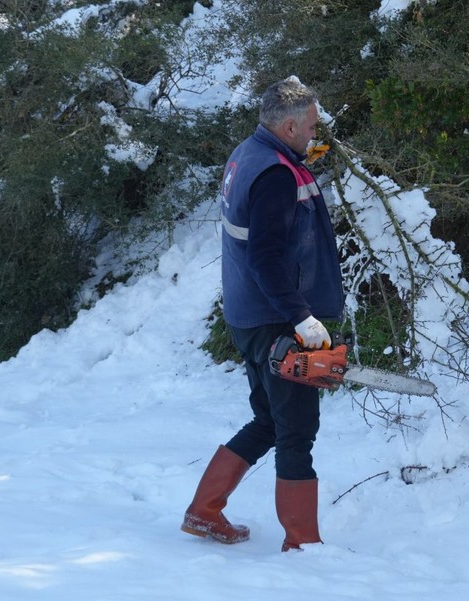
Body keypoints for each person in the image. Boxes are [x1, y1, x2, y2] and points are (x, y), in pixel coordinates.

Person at [181, 76, 344, 551]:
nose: (316, 134)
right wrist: (301, 319)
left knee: (269, 421)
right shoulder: (274, 174)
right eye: (311, 127)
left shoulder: (251, 153)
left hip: (248, 313)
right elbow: (266, 257)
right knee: (296, 430)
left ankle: (204, 510)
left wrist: (298, 161)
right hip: (275, 317)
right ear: (289, 125)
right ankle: (303, 544)